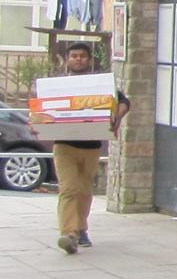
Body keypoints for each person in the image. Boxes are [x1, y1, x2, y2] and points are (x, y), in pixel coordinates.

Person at [50, 39, 128, 255]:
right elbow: (42, 107)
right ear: (67, 59)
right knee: (68, 189)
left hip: (91, 146)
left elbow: (123, 102)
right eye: (74, 56)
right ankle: (69, 234)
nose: (78, 59)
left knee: (84, 190)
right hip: (64, 145)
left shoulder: (100, 84)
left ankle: (81, 228)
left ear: (89, 60)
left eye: (82, 56)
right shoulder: (57, 84)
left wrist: (117, 117)